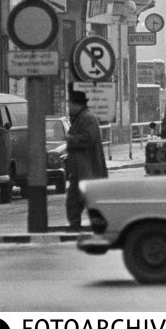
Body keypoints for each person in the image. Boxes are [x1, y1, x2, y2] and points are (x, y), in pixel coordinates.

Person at [65, 90, 108, 231]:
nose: (68, 107)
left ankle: (94, 225)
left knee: (85, 199)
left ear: (76, 104)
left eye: (70, 104)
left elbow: (88, 138)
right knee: (74, 199)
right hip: (80, 168)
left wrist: (70, 140)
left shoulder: (87, 118)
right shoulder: (80, 117)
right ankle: (75, 224)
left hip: (87, 168)